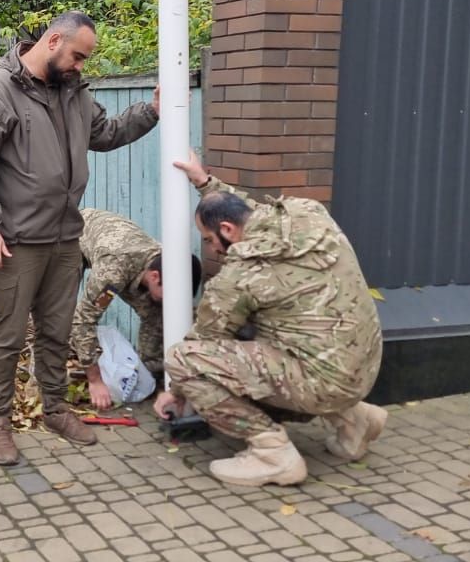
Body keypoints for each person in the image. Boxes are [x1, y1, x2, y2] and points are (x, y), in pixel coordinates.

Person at [0, 11, 160, 465]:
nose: (80, 66)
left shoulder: (75, 94)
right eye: (78, 56)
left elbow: (105, 134)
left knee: (56, 330)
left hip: (65, 238)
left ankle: (56, 409)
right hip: (14, 240)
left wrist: (152, 112)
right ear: (51, 41)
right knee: (7, 335)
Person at [154, 151, 387, 487]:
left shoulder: (241, 274)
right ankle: (355, 420)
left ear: (227, 230)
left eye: (209, 240)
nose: (212, 249)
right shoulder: (307, 213)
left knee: (182, 360)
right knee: (279, 339)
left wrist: (175, 391)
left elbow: (205, 340)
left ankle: (272, 454)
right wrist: (205, 183)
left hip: (325, 381)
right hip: (364, 366)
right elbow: (250, 211)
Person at [71, 208, 202, 409]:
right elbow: (84, 321)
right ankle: (50, 378)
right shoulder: (112, 275)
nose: (173, 302)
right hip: (74, 235)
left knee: (156, 312)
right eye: (173, 295)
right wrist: (95, 380)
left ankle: (152, 375)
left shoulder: (166, 263)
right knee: (62, 308)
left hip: (124, 252)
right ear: (155, 277)